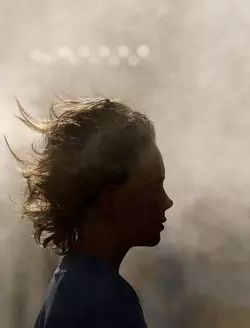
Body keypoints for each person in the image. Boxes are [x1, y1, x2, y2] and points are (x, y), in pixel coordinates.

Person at [8, 97, 174, 328]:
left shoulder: (70, 284)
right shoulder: (106, 302)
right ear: (110, 199)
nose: (168, 202)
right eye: (155, 186)